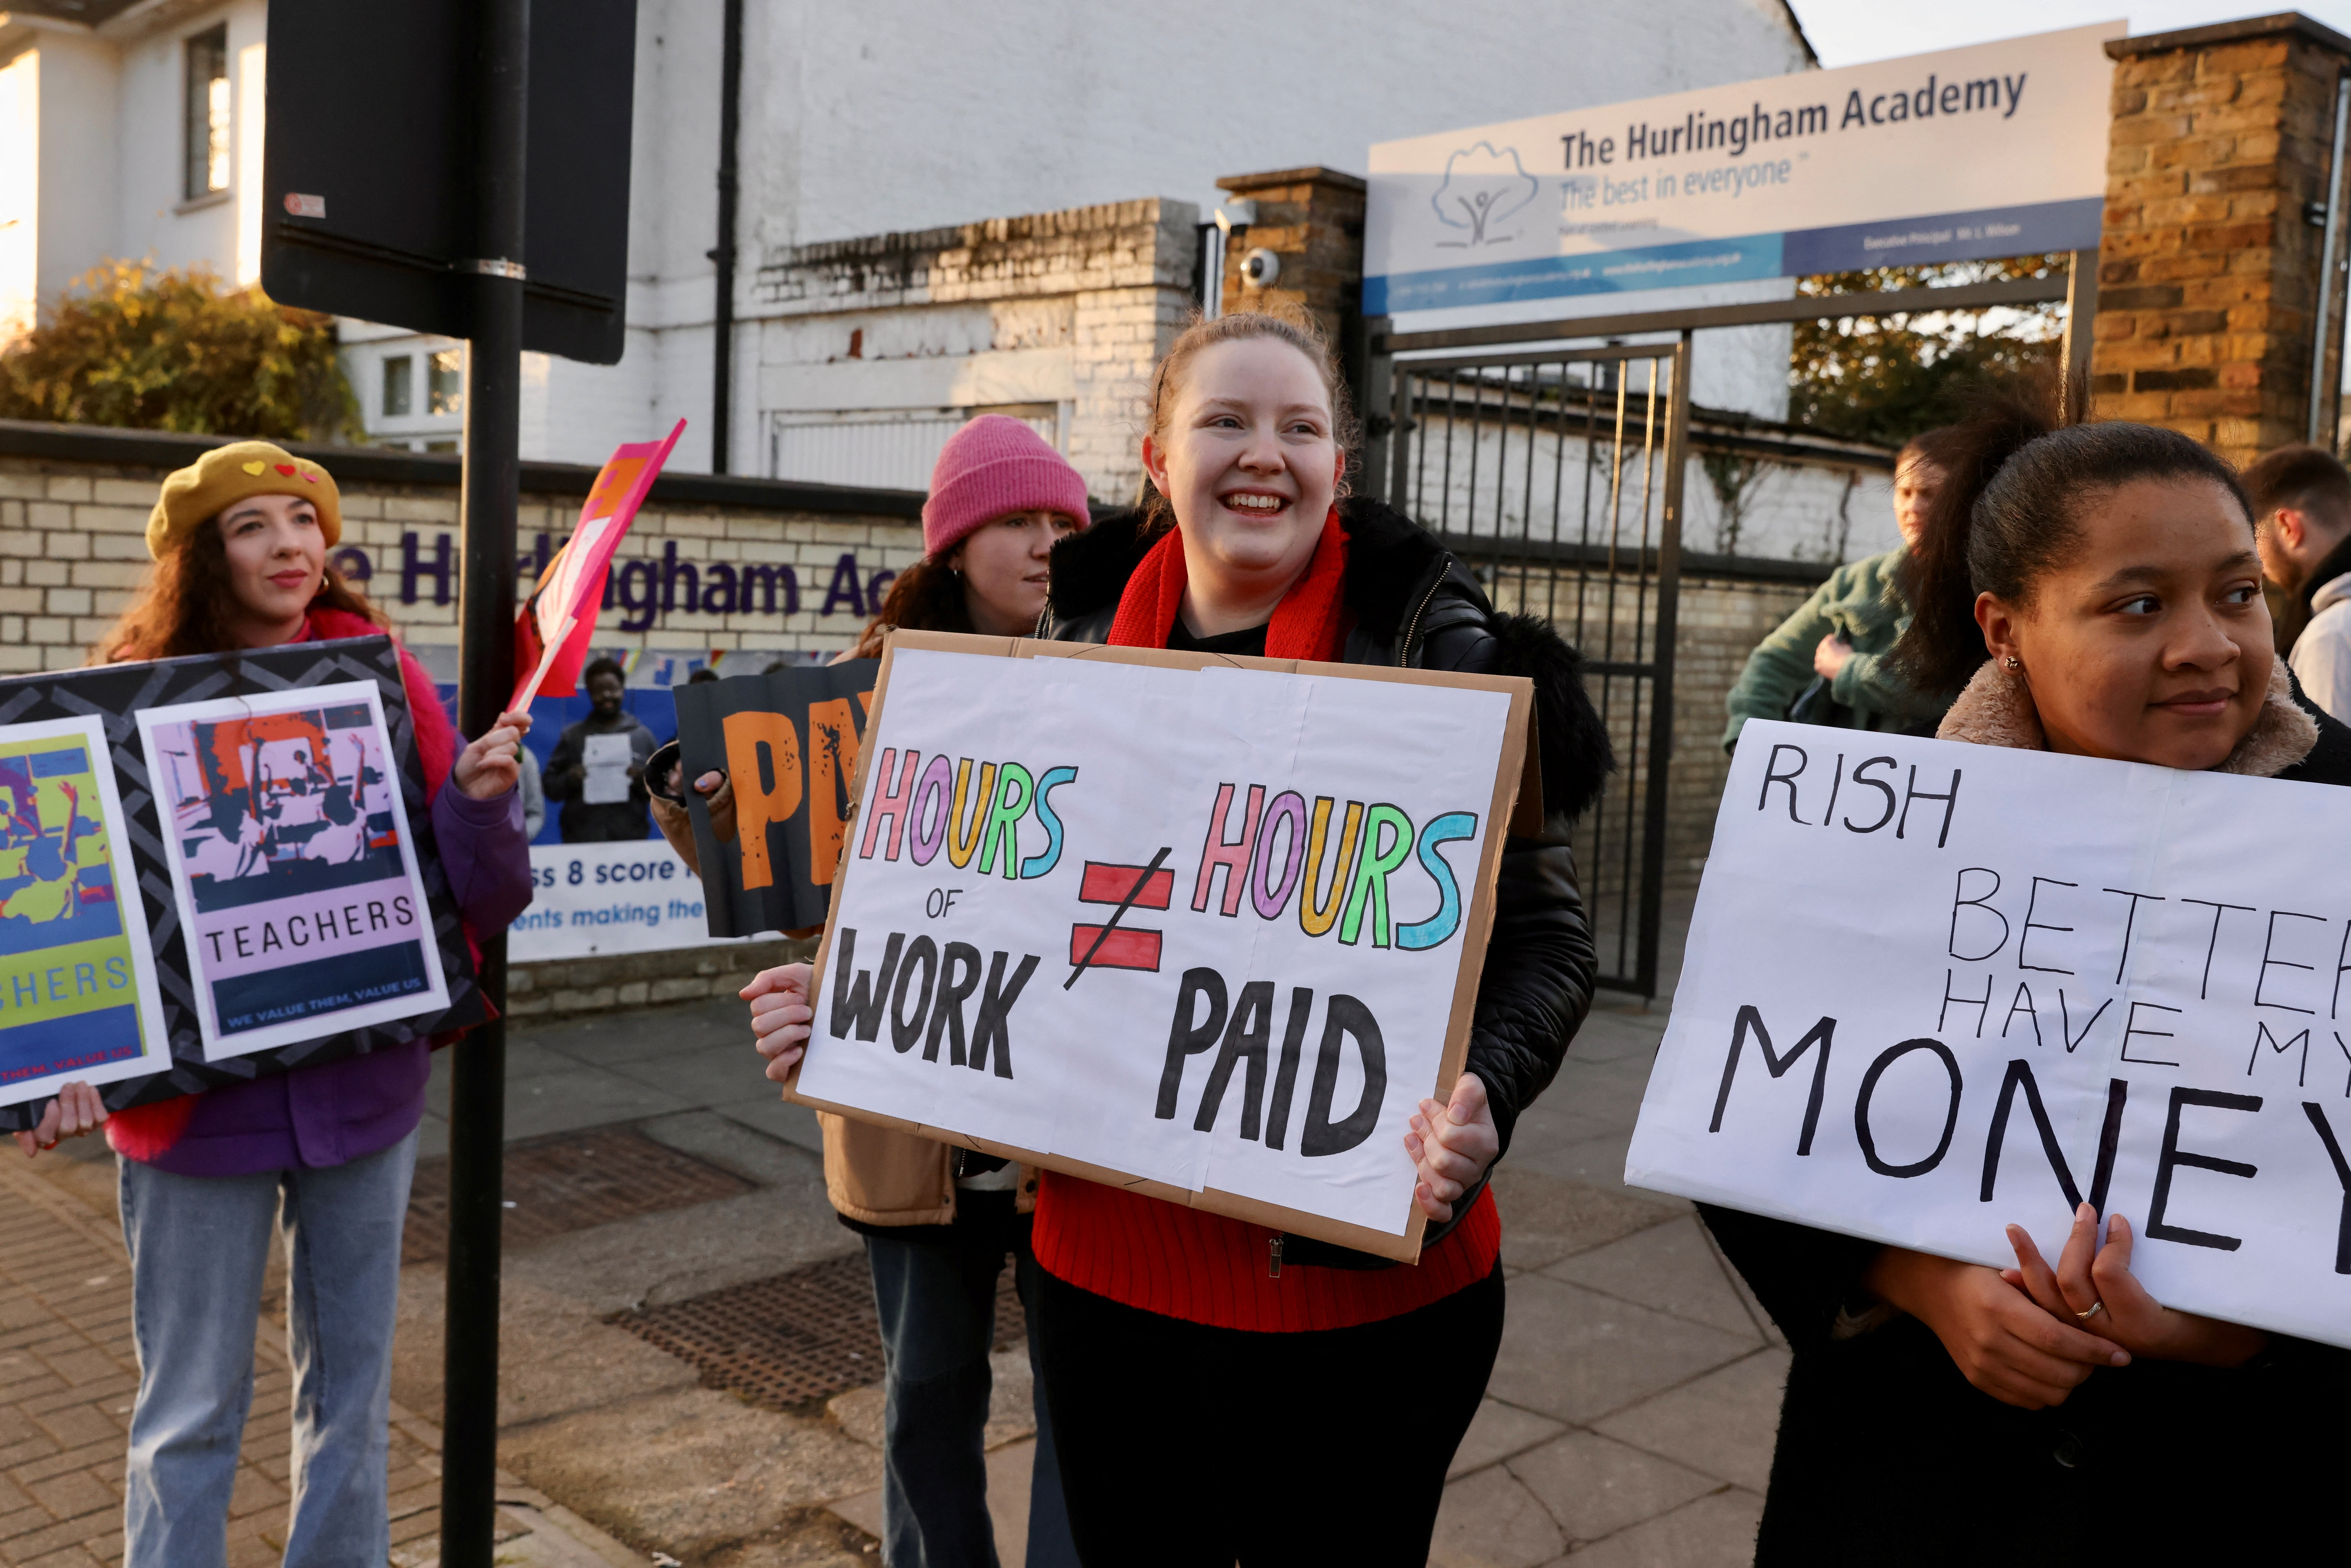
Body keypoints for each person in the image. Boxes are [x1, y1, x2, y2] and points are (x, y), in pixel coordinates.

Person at [756, 311, 1609, 1565]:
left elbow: (1550, 942)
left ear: (1340, 467)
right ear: (1159, 460)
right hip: (1107, 1295)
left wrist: (1487, 1087)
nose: (1264, 452)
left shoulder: (1441, 646)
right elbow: (998, 922)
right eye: (1225, 420)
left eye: (1300, 427)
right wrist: (853, 1008)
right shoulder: (1070, 652)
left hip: (1364, 1313)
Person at [1701, 397, 2351, 1565]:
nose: (2206, 641)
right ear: (2003, 629)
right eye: (2137, 604)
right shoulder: (1875, 826)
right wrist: (1912, 1279)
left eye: (2236, 591)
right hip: (1921, 1483)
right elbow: (1745, 1117)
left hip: (2234, 1490)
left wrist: (2242, 1339)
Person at [14, 440, 534, 1568]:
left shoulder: (382, 675)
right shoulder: (121, 691)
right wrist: (55, 1062)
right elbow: (67, 920)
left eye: (301, 522)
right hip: (198, 1127)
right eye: (252, 526)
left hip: (364, 1097)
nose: (288, 545)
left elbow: (480, 900)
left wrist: (482, 806)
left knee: (350, 1399)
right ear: (204, 555)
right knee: (190, 1412)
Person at [671, 413, 1091, 1568]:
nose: (1045, 541)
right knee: (926, 1402)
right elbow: (773, 863)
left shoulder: (1120, 674)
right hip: (913, 1135)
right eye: (1016, 518)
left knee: (1088, 1421)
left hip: (1073, 1135)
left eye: (1063, 520)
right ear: (953, 543)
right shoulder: (857, 698)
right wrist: (695, 792)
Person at [1721, 428, 1964, 750]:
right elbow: (1774, 662)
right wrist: (1747, 742)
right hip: (1840, 781)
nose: (1913, 508)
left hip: (1937, 785)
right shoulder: (1854, 582)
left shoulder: (1981, 587)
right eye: (1904, 492)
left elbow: (1942, 695)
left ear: (1961, 500)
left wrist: (1848, 669)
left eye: (1930, 493)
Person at [2244, 442, 2351, 721]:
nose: (2262, 572)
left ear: (2288, 528)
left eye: (2254, 545)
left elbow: (2329, 761)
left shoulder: (2333, 635)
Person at [544, 656, 656, 841]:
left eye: (613, 689)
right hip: (581, 839)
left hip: (631, 840)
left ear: (623, 690)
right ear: (589, 693)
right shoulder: (573, 737)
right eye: (599, 691)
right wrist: (570, 778)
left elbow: (663, 792)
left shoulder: (642, 737)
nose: (607, 696)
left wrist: (642, 780)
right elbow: (550, 788)